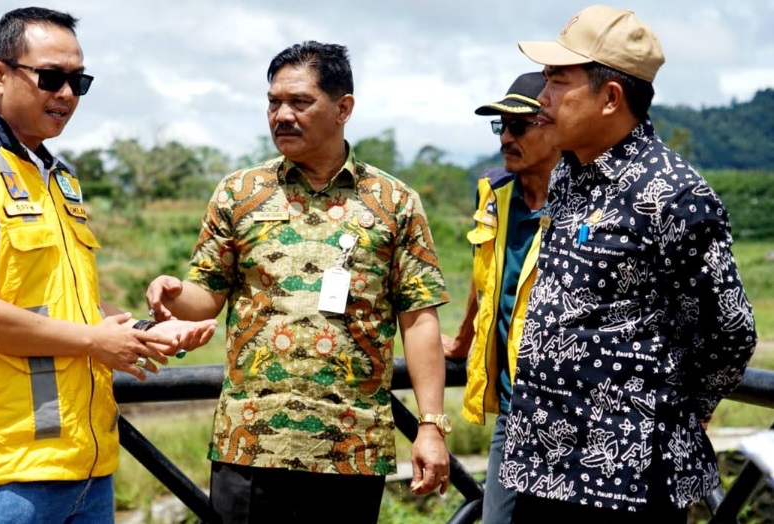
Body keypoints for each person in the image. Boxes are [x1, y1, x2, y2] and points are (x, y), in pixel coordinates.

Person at [0, 7, 217, 523]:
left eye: (79, 81)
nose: (67, 94)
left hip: (84, 464)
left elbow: (71, 305)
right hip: (2, 474)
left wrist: (142, 331)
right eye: (51, 78)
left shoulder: (57, 179)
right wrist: (98, 343)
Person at [146, 41, 451, 524]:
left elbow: (419, 319)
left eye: (299, 102)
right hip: (250, 444)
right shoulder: (239, 193)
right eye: (273, 102)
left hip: (351, 447)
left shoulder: (395, 201)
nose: (281, 115)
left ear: (343, 108)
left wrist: (431, 426)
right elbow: (205, 297)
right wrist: (173, 293)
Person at [498, 5, 757, 523]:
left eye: (557, 81)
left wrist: (688, 408)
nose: (542, 97)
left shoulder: (673, 195)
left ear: (610, 98)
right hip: (541, 464)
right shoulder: (569, 175)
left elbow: (729, 331)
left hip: (624, 480)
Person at [442, 71, 559, 524]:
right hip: (515, 405)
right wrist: (464, 337)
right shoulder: (495, 192)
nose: (506, 137)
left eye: (519, 126)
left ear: (554, 127)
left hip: (572, 408)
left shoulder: (584, 199)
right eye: (501, 126)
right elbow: (484, 275)